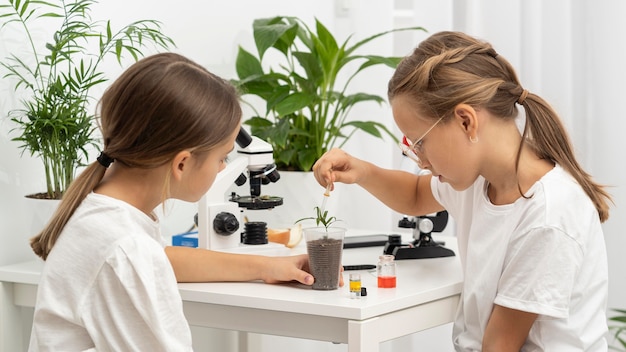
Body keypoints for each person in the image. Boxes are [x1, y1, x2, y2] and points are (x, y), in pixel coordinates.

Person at [313, 31, 612, 351]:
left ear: (466, 122)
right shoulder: (480, 179)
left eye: (420, 143)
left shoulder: (549, 215)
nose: (420, 160)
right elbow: (415, 195)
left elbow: (500, 344)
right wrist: (361, 171)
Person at [28, 52, 316, 351]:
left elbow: (163, 259)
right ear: (182, 164)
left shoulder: (100, 213)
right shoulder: (126, 249)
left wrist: (266, 267)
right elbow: (141, 260)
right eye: (222, 157)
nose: (222, 168)